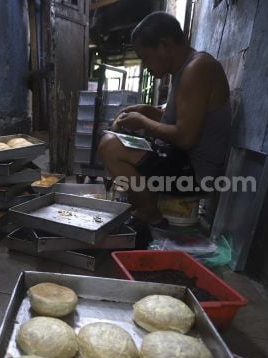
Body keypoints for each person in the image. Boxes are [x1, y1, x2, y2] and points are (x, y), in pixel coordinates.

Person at [98, 11, 231, 237]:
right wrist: (145, 111)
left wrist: (142, 121)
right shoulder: (185, 69)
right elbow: (182, 120)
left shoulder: (197, 69)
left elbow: (185, 136)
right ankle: (145, 208)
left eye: (145, 57)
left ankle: (151, 215)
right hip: (182, 160)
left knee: (109, 146)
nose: (146, 65)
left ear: (164, 46)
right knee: (120, 142)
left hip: (197, 174)